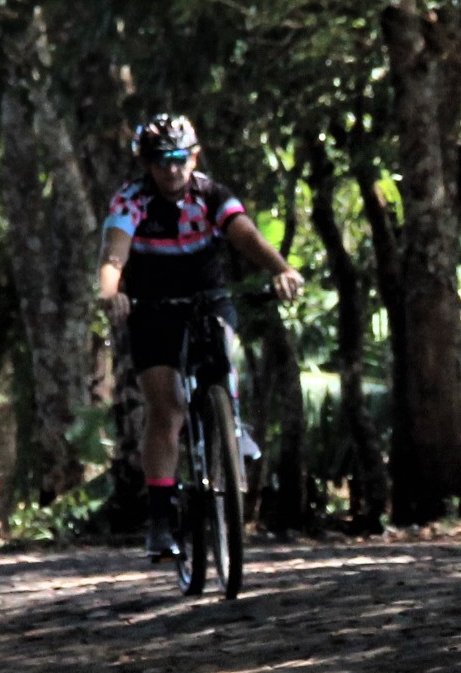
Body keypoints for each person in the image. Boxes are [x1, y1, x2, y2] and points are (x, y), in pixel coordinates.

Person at [95, 116, 306, 559]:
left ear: (193, 156)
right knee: (167, 409)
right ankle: (160, 519)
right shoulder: (132, 200)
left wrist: (282, 270)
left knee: (222, 354)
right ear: (146, 164)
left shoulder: (211, 195)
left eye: (179, 159)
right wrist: (111, 294)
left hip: (207, 298)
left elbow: (245, 235)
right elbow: (115, 254)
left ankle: (230, 424)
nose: (171, 169)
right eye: (160, 161)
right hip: (153, 308)